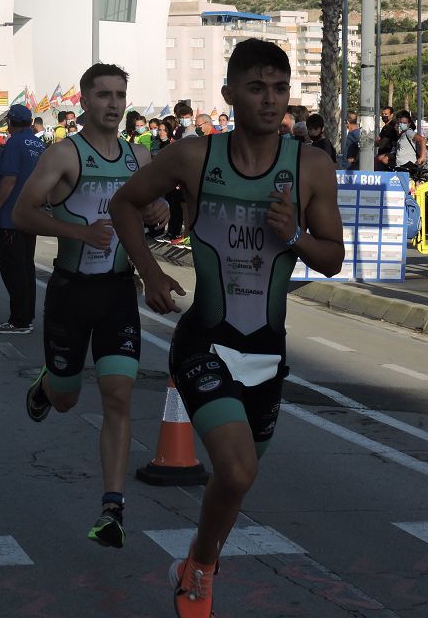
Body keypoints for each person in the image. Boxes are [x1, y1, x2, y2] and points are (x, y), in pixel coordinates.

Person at [109, 38, 344, 618]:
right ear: (229, 93)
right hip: (205, 341)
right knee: (236, 468)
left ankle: (197, 560)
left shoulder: (309, 165)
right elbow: (124, 203)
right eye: (257, 88)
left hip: (267, 349)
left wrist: (292, 236)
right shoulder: (195, 157)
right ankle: (203, 577)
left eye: (280, 89)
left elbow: (334, 257)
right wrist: (150, 273)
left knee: (237, 480)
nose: (270, 100)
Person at [12, 63, 169, 550]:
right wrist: (80, 232)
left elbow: (152, 214)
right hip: (71, 291)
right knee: (66, 398)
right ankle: (48, 385)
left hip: (118, 293)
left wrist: (158, 212)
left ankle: (112, 508)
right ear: (84, 101)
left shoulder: (139, 157)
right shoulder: (64, 154)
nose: (115, 104)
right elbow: (22, 213)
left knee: (119, 396)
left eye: (121, 94)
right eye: (104, 95)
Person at [0, 105, 45, 334]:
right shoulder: (37, 144)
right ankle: (25, 316)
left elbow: (9, 179)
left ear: (10, 122)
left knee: (13, 269)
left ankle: (19, 320)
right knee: (26, 267)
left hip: (10, 217)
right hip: (29, 215)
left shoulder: (14, 143)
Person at [375, 105, 399, 171]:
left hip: (390, 155)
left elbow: (381, 143)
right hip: (383, 154)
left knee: (378, 160)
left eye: (386, 114)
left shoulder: (392, 125)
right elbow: (378, 140)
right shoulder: (385, 127)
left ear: (391, 115)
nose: (384, 116)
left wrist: (378, 142)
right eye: (382, 114)